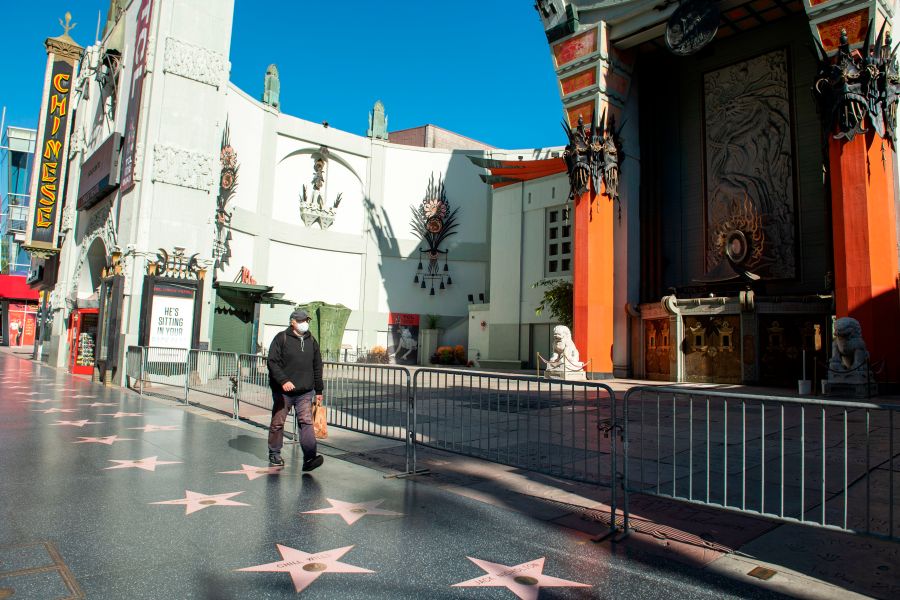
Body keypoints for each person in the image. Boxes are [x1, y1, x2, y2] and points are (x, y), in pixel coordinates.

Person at [266, 309, 324, 471]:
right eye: (301, 320)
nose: (305, 323)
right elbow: (272, 362)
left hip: (305, 391)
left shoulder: (311, 340)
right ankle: (274, 452)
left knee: (306, 422)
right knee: (278, 422)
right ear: (292, 322)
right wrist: (283, 380)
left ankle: (310, 457)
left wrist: (319, 390)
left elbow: (317, 366)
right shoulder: (281, 338)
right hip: (283, 391)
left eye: (306, 320)